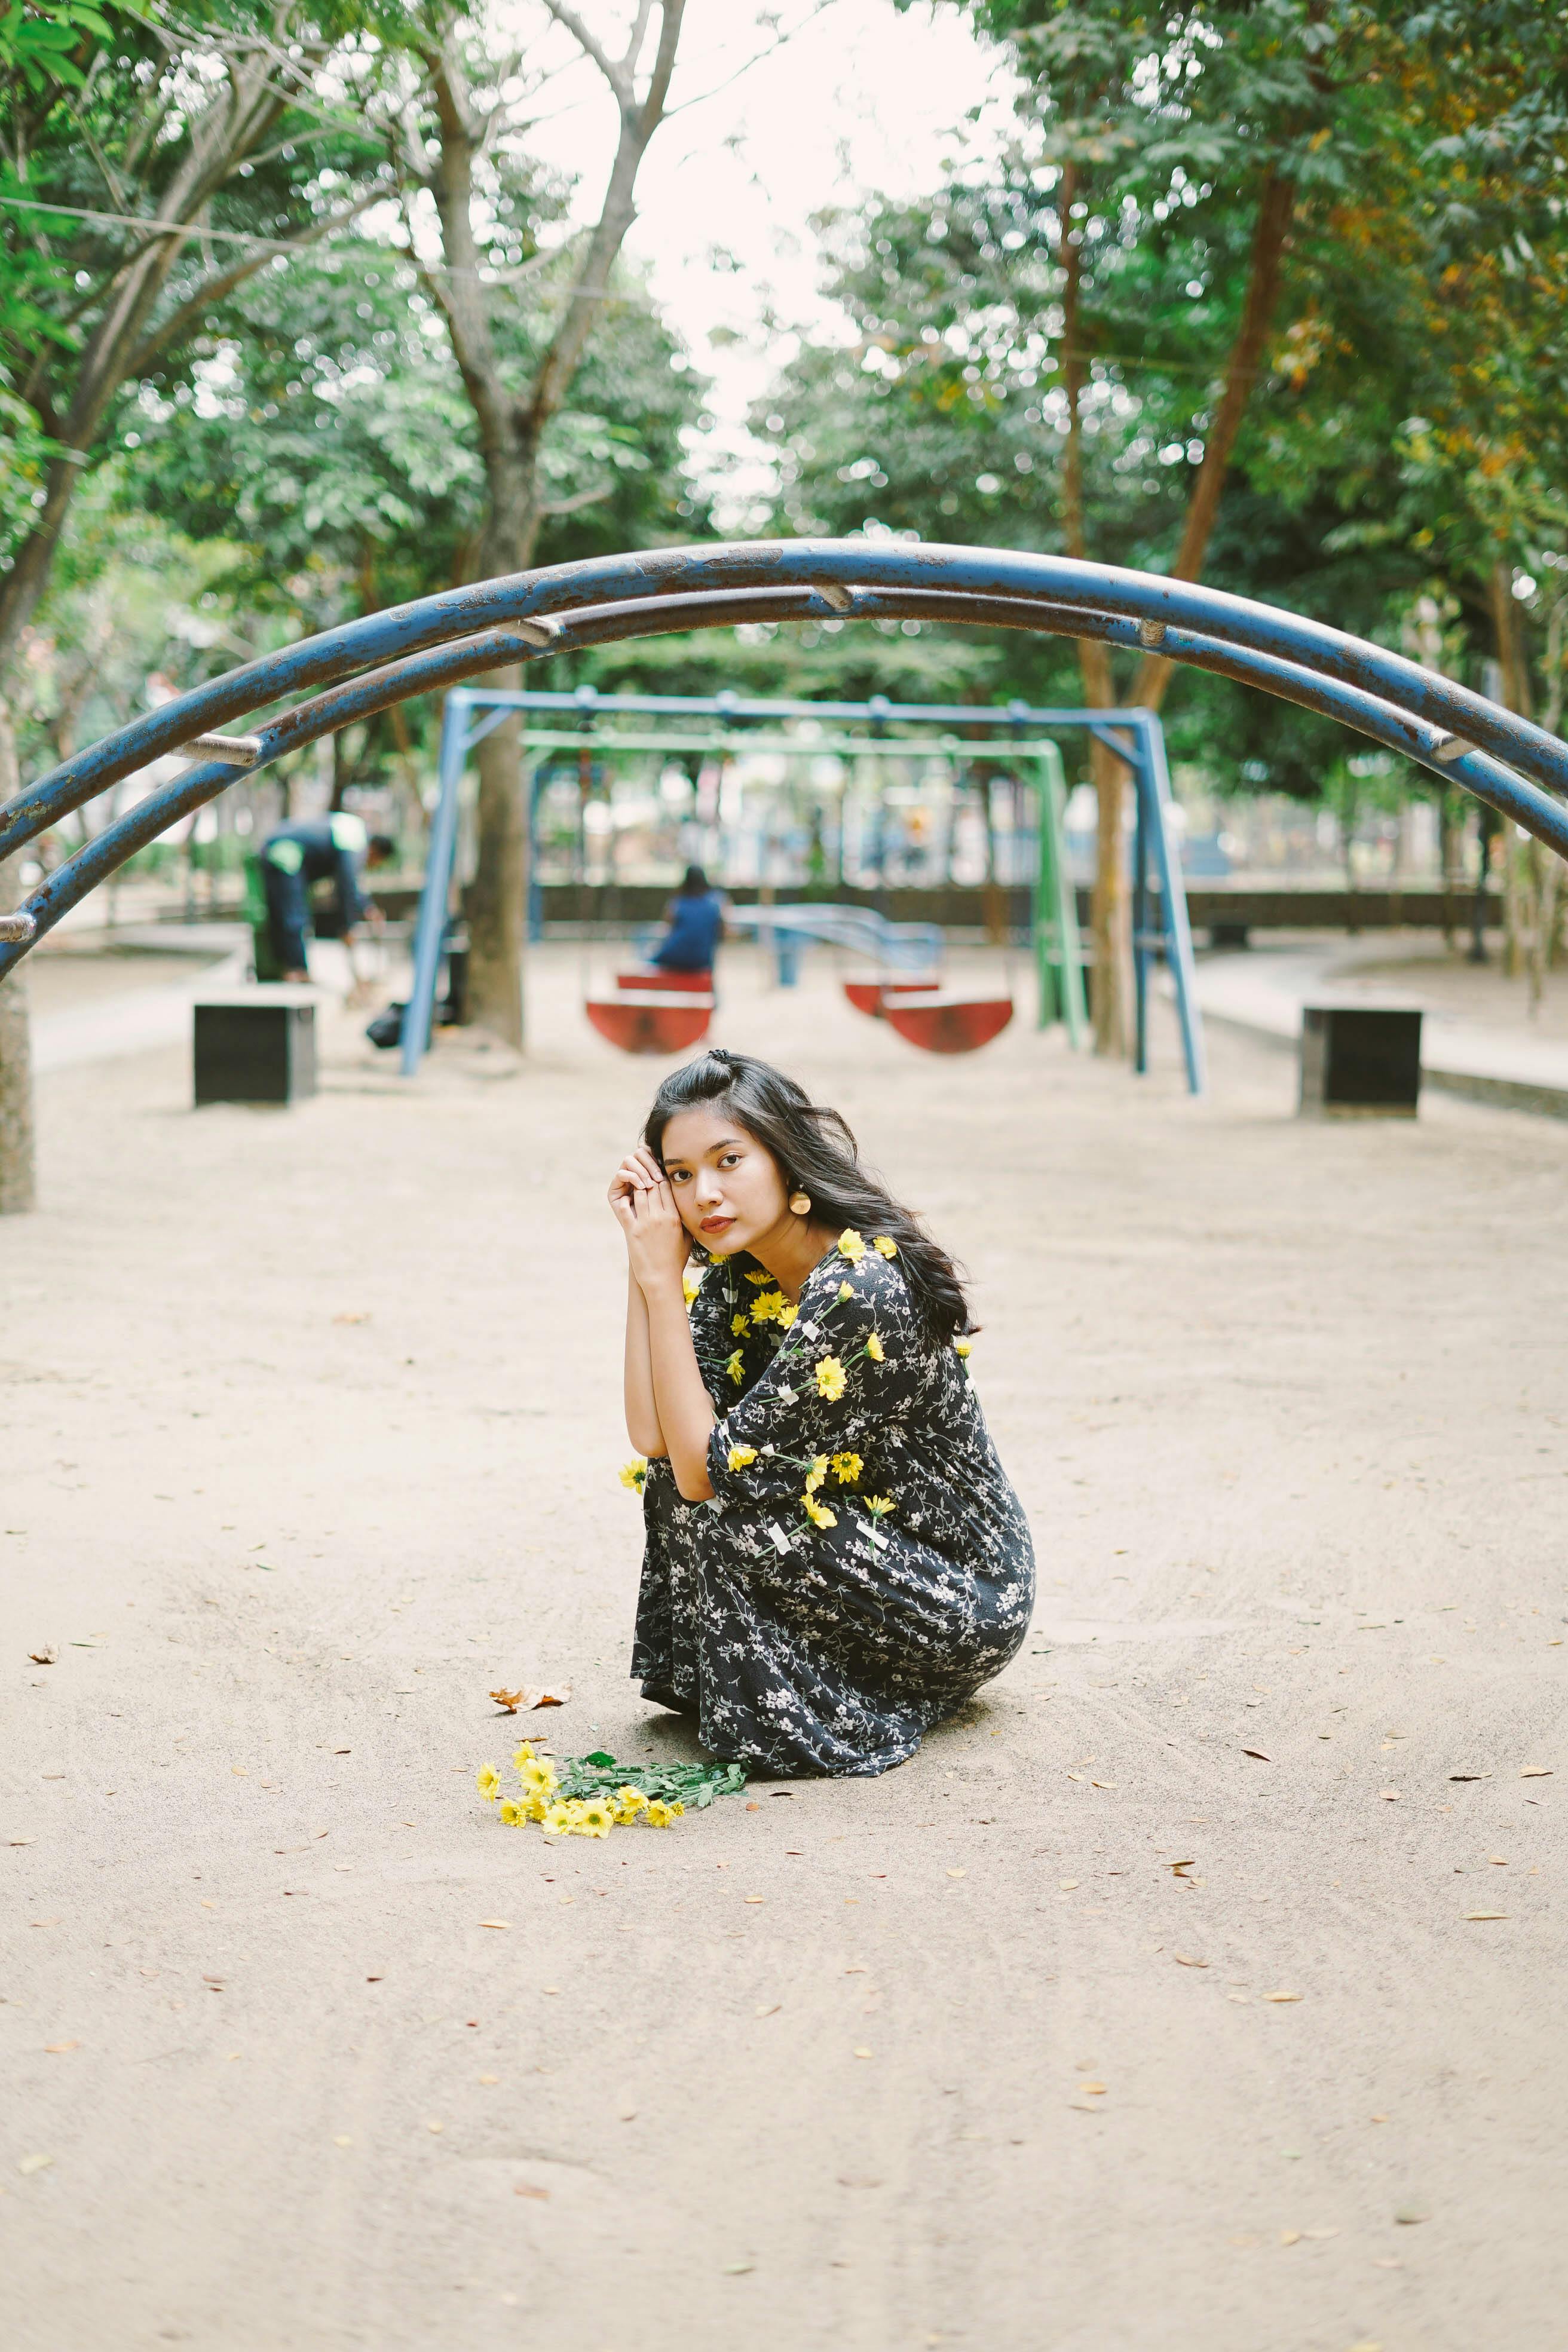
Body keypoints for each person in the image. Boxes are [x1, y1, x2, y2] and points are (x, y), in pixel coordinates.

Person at [608, 1048, 1035, 1777]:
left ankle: (813, 1707)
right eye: (680, 1175)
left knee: (724, 1503)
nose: (703, 1194)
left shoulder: (860, 1288)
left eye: (728, 1161)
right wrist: (648, 1270)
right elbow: (653, 1437)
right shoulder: (744, 1271)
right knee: (679, 1482)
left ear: (785, 1160)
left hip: (956, 1593)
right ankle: (776, 1690)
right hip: (855, 1544)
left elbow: (706, 1475)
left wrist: (659, 1283)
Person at [259, 811, 393, 982]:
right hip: (287, 852)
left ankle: (287, 969)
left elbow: (351, 884)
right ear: (376, 852)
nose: (370, 865)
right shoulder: (356, 841)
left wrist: (368, 909)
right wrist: (348, 926)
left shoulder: (353, 832)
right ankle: (297, 970)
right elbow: (347, 884)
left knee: (284, 913)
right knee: (294, 914)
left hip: (277, 848)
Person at [648, 863, 725, 974]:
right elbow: (721, 932)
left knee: (649, 953)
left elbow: (668, 926)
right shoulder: (714, 905)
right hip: (702, 960)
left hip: (674, 956)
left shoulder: (678, 902)